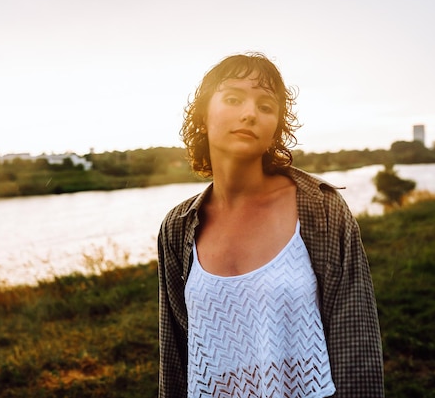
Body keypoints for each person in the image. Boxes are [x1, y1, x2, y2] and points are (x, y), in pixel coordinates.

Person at [157, 52, 384, 397]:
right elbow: (175, 356)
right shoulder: (178, 227)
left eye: (266, 106)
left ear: (275, 127)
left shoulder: (320, 209)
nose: (250, 113)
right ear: (203, 117)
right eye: (233, 98)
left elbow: (356, 343)